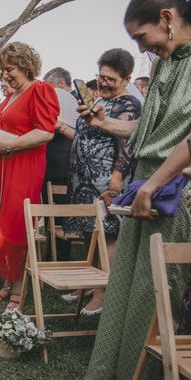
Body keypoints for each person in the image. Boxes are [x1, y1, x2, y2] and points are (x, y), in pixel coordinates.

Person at [79, 0, 191, 380]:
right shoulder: (165, 64)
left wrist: (153, 183)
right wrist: (103, 123)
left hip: (174, 189)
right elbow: (145, 132)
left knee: (152, 287)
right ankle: (109, 375)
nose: (142, 49)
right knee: (125, 281)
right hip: (145, 181)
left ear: (167, 18)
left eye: (141, 38)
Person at [0, 42, 59, 312]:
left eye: (9, 69)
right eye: (2, 70)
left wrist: (10, 147)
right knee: (3, 222)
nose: (5, 76)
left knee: (17, 225)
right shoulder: (9, 98)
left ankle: (17, 292)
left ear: (26, 65)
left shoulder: (40, 90)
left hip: (24, 167)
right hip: (3, 167)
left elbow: (45, 132)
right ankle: (8, 281)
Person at [62, 49, 142, 314]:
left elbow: (128, 144)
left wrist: (116, 178)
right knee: (88, 231)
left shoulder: (129, 104)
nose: (104, 82)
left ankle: (103, 292)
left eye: (111, 78)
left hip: (106, 179)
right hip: (82, 179)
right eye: (101, 76)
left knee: (108, 234)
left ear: (126, 78)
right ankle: (89, 283)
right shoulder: (100, 102)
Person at [43, 67, 76, 261]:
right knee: (49, 214)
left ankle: (61, 256)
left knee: (63, 213)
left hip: (64, 166)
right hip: (49, 165)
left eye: (50, 87)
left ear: (61, 84)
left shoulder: (77, 105)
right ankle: (50, 252)